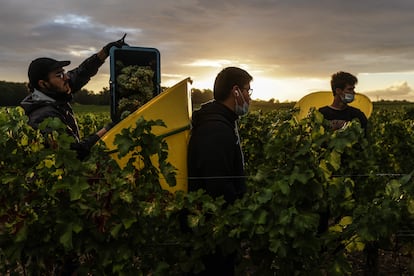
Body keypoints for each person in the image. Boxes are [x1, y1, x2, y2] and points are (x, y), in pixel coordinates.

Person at [187, 66, 253, 275]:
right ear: (235, 91)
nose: (249, 98)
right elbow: (218, 185)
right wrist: (240, 218)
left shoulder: (220, 121)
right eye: (247, 90)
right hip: (215, 230)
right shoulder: (215, 129)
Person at [20, 35, 127, 160]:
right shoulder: (42, 117)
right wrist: (108, 129)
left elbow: (81, 73)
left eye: (63, 72)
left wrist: (105, 51)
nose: (66, 77)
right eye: (59, 75)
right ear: (43, 83)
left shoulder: (53, 92)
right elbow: (75, 153)